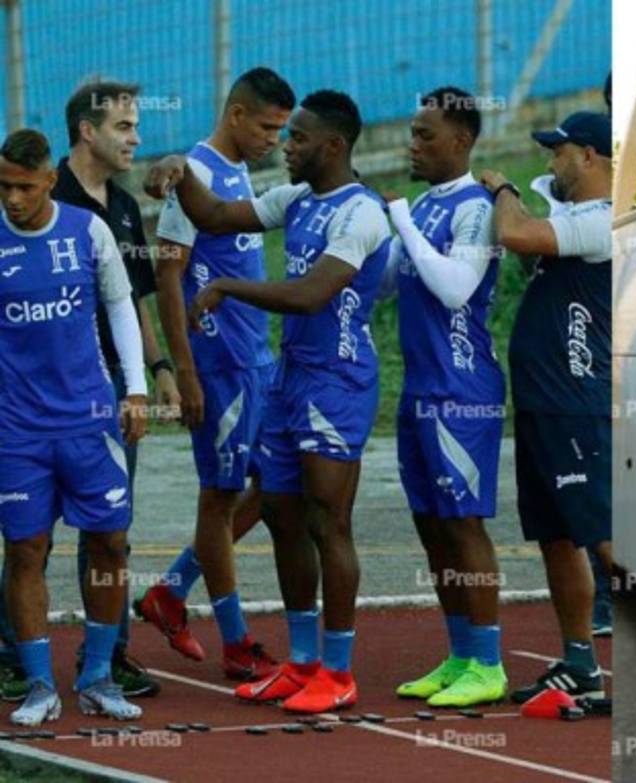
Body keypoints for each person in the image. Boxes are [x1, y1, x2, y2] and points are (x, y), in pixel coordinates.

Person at [143, 90, 391, 714]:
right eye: (283, 133)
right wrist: (178, 166)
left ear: (333, 147)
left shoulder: (361, 213)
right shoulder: (297, 198)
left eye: (299, 138)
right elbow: (219, 215)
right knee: (281, 514)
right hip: (287, 379)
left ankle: (338, 670)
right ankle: (301, 662)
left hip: (337, 382)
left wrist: (228, 285)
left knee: (326, 521)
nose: (287, 146)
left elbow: (311, 294)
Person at [0, 81, 176, 702]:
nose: (13, 199)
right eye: (4, 187)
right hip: (17, 429)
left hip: (90, 419)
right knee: (26, 547)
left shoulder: (89, 230)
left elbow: (122, 306)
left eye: (24, 186)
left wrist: (134, 389)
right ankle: (38, 684)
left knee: (109, 541)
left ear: (48, 180)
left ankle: (99, 674)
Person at [133, 67, 295, 683]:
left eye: (283, 130)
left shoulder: (238, 171)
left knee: (280, 486)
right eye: (267, 127)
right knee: (220, 494)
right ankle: (235, 640)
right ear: (235, 114)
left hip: (257, 359)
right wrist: (186, 372)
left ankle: (171, 590)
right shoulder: (193, 173)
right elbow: (169, 274)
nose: (274, 140)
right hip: (220, 365)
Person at [478, 111, 613, 702]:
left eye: (558, 152)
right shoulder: (576, 218)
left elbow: (515, 234)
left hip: (573, 407)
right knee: (559, 538)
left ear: (587, 156)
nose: (551, 162)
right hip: (543, 405)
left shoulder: (605, 219)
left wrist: (504, 188)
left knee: (605, 537)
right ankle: (580, 661)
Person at [381, 87, 508, 708]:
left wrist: (401, 220)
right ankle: (460, 655)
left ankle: (489, 663)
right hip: (420, 387)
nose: (414, 143)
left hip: (462, 391)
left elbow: (456, 288)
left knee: (463, 525)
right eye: (413, 131)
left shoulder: (477, 207)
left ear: (461, 141)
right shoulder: (426, 205)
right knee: (432, 527)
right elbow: (385, 285)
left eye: (425, 134)